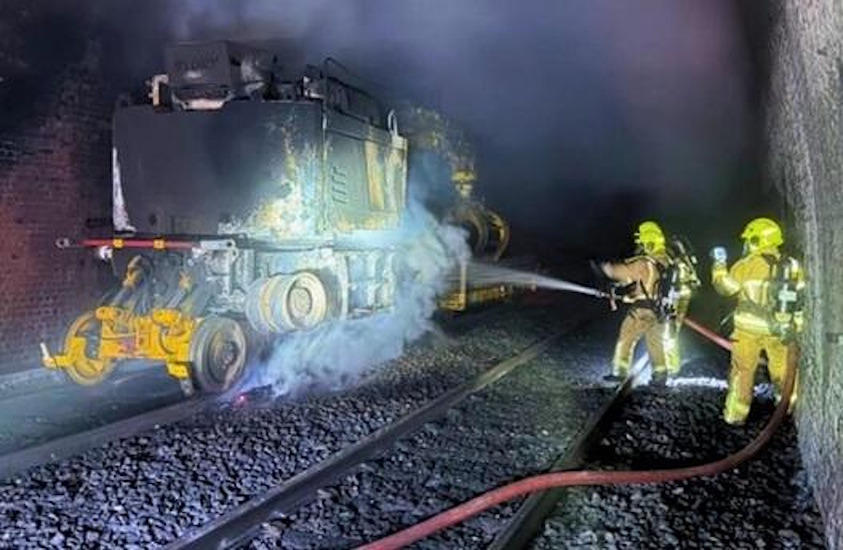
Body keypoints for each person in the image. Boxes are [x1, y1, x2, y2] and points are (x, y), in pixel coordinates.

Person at [711, 217, 805, 425]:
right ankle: (786, 407)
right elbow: (800, 299)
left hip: (747, 330)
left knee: (743, 370)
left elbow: (726, 288)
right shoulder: (792, 266)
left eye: (750, 240)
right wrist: (795, 326)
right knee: (782, 368)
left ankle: (736, 415)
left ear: (756, 240)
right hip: (779, 329)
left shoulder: (746, 265)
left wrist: (718, 267)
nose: (747, 244)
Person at [601, 221, 673, 384]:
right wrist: (629, 295)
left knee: (625, 339)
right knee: (656, 344)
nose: (639, 245)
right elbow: (646, 284)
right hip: (659, 311)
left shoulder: (644, 262)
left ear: (648, 241)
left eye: (641, 242)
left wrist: (607, 268)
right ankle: (660, 375)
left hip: (641, 311)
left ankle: (619, 372)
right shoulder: (664, 263)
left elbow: (623, 272)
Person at [664, 235, 701, 375]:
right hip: (681, 297)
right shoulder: (687, 261)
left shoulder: (678, 264)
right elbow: (694, 280)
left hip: (675, 298)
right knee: (672, 331)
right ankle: (671, 364)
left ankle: (671, 366)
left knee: (669, 332)